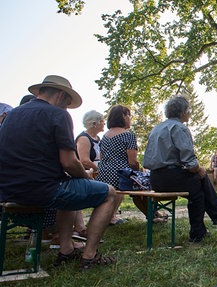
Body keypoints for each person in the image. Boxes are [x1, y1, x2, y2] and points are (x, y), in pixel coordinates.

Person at [0, 75, 116, 270]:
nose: (67, 108)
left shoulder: (12, 115)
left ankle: (66, 250)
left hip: (8, 191)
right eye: (68, 103)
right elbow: (69, 162)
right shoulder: (58, 114)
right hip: (41, 190)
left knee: (68, 185)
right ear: (61, 96)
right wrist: (86, 176)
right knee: (109, 193)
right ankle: (90, 256)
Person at [143, 96, 217, 243]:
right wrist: (199, 168)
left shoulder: (157, 128)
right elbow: (189, 161)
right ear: (182, 112)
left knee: (199, 181)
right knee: (198, 188)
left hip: (155, 178)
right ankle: (202, 228)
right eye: (189, 110)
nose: (190, 113)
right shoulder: (180, 128)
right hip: (171, 177)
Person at [95, 105, 149, 224]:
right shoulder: (128, 135)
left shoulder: (105, 136)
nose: (130, 118)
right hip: (120, 176)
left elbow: (102, 158)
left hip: (103, 175)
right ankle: (153, 215)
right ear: (123, 117)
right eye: (129, 115)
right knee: (145, 183)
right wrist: (140, 171)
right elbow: (132, 162)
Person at [71, 110, 106, 240]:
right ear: (93, 123)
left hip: (96, 172)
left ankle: (84, 227)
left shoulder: (98, 139)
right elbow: (84, 160)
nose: (104, 123)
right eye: (102, 120)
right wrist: (99, 169)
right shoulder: (84, 138)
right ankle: (81, 227)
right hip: (84, 173)